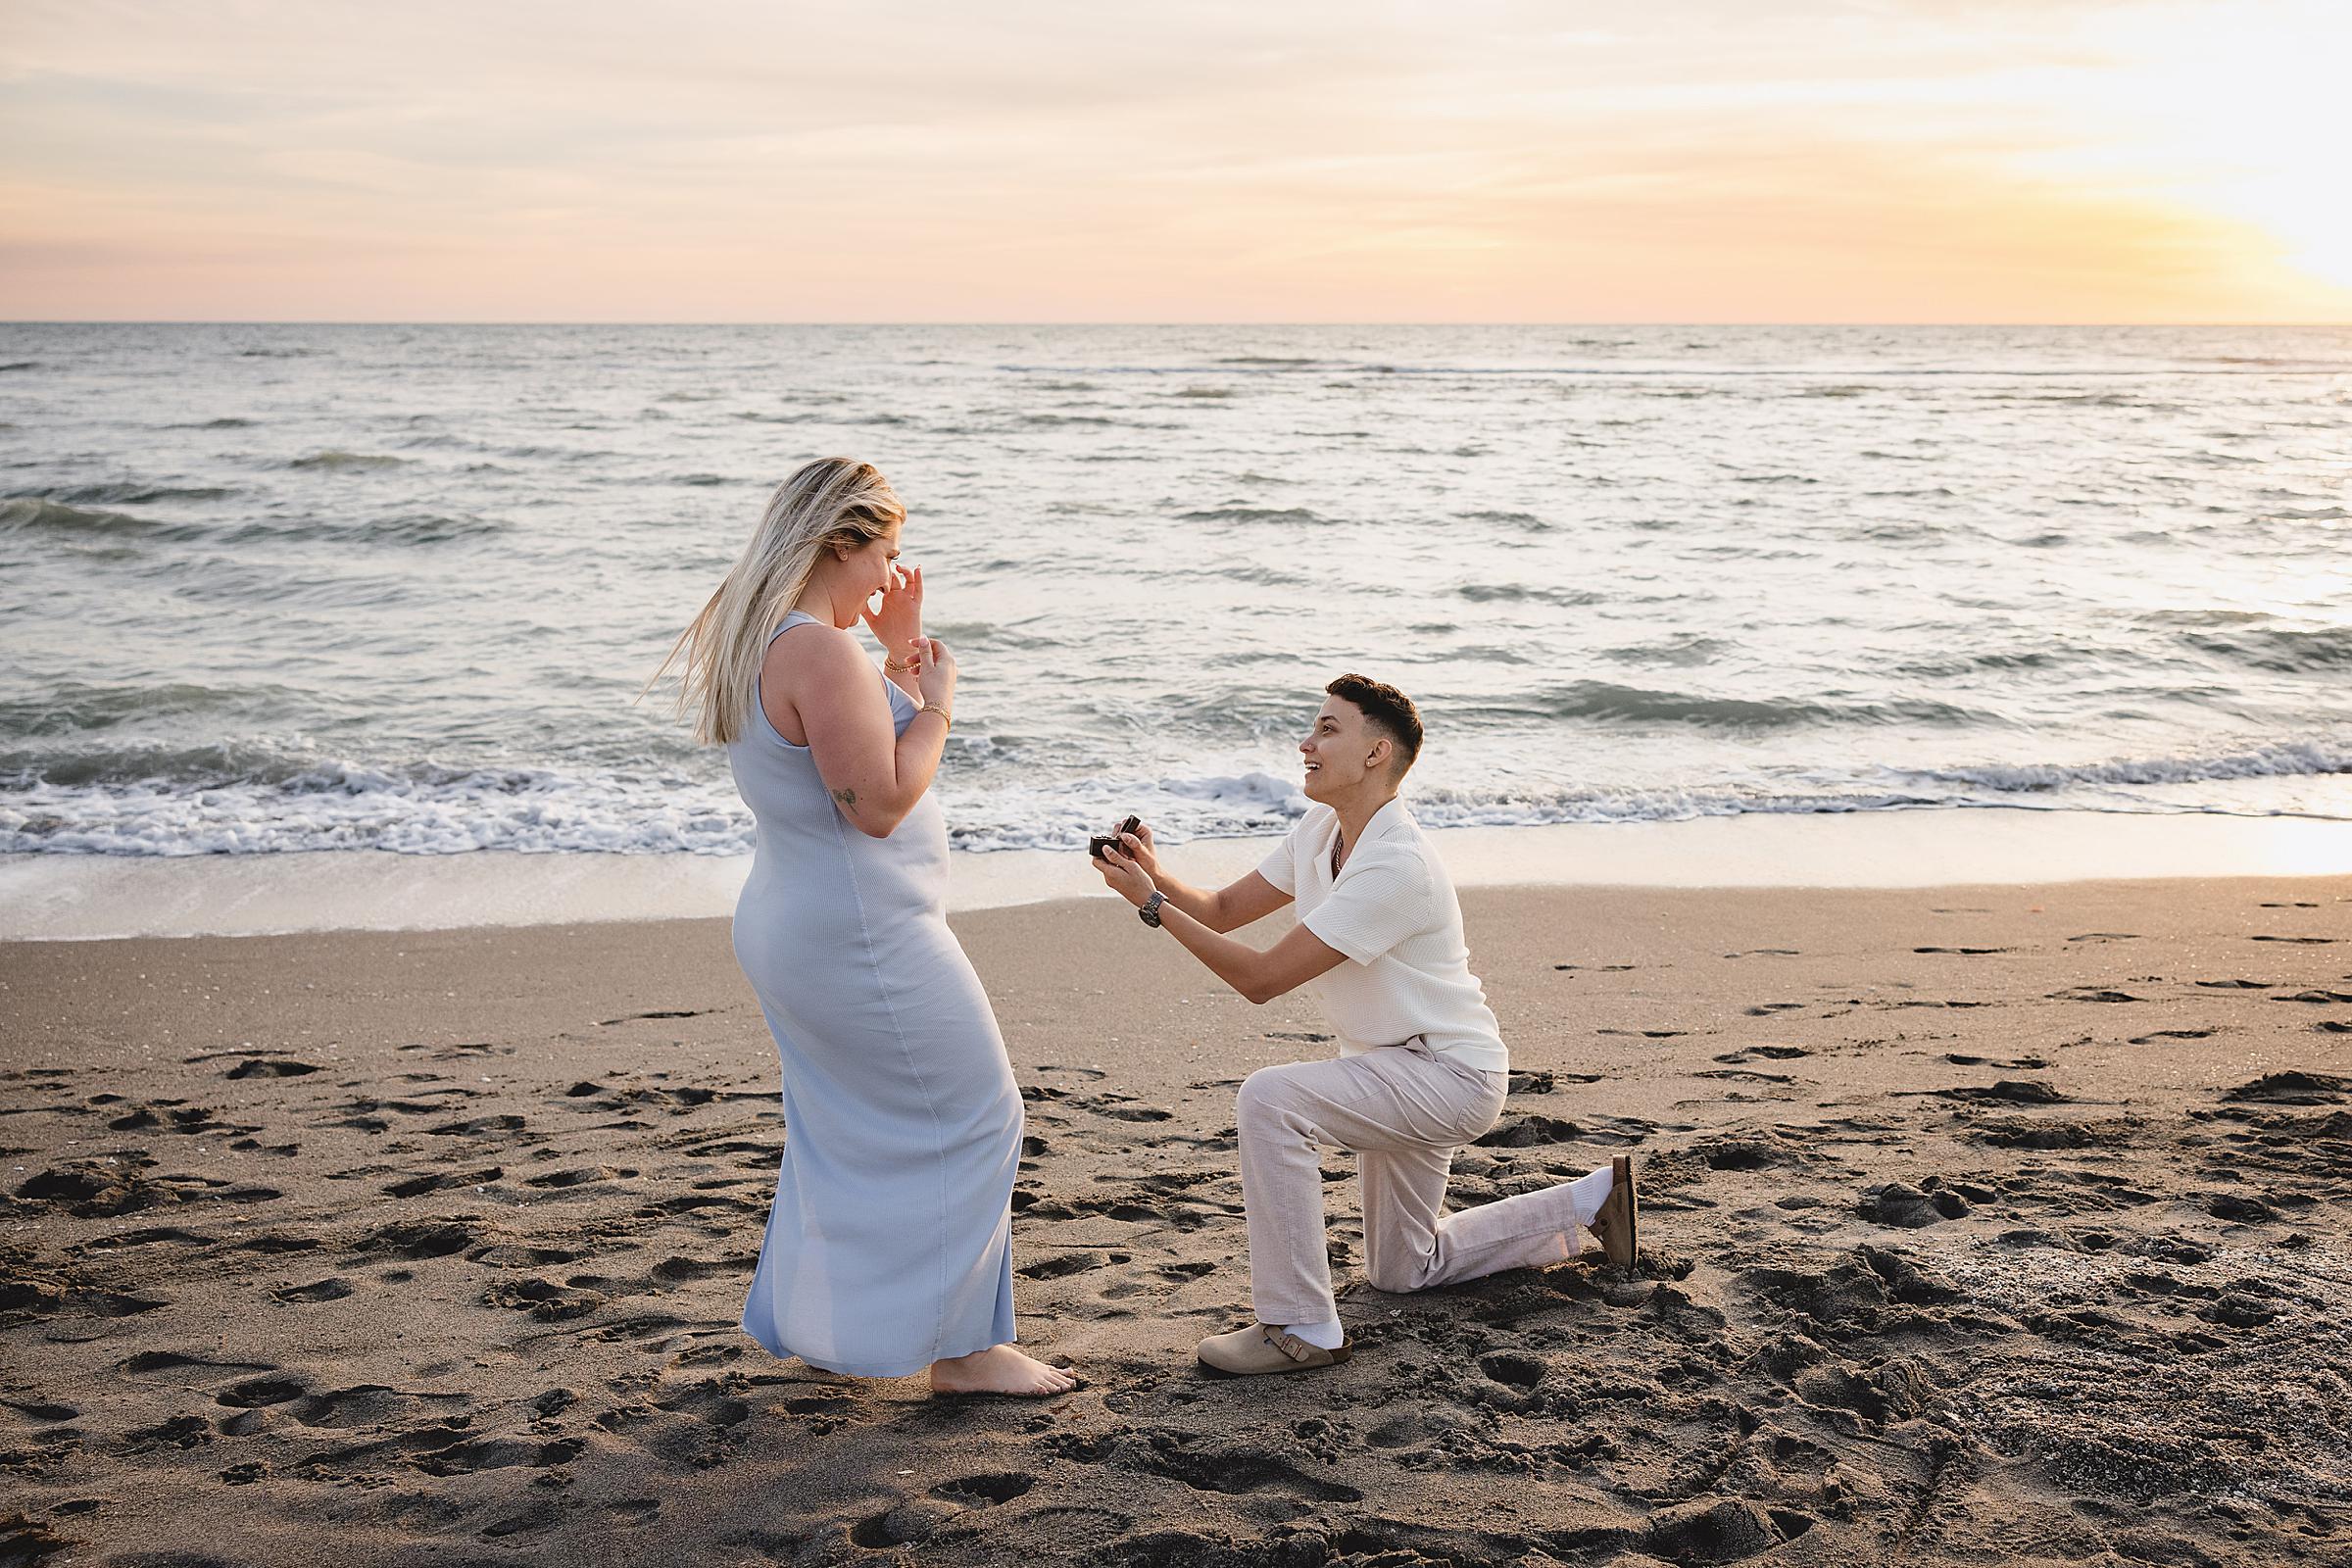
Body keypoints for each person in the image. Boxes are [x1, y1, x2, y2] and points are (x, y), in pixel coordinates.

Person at [651, 457, 1074, 1396]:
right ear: (837, 543)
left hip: (807, 921)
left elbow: (837, 748)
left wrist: (898, 648)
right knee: (980, 1118)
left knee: (844, 1133)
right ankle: (965, 1354)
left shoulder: (764, 634)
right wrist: (938, 702)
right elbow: (875, 803)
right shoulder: (815, 650)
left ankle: (836, 1323)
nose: (892, 574)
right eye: (885, 553)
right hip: (862, 938)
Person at [1091, 674, 1637, 1376]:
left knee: (1271, 1098)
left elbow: (1260, 980)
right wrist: (1157, 878)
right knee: (1405, 1269)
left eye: (1327, 729)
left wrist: (1151, 907)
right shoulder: (1323, 830)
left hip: (1447, 1074)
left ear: (1376, 753)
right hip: (1391, 1067)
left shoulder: (1395, 865)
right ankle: (1593, 1202)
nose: (1305, 742)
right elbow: (1224, 908)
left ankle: (1300, 1326)